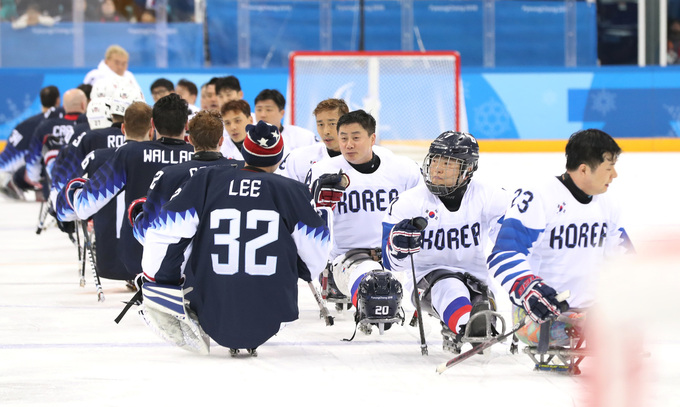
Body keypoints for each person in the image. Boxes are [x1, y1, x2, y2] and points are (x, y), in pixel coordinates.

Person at [138, 120, 331, 354]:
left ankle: (171, 301)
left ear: (245, 151)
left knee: (187, 237)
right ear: (279, 157)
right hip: (275, 307)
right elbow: (317, 254)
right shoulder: (292, 190)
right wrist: (301, 270)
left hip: (210, 303)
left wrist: (158, 280)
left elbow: (164, 233)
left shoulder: (206, 180)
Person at [487, 129, 632, 348]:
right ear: (584, 169)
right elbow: (505, 252)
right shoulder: (539, 196)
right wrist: (529, 289)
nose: (615, 176)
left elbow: (624, 258)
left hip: (588, 316)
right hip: (539, 317)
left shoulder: (607, 204)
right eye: (609, 168)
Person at [381, 131, 512, 352]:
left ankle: (476, 319)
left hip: (475, 278)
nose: (438, 168)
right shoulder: (408, 202)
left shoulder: (490, 195)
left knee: (482, 304)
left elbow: (509, 245)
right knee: (450, 287)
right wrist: (397, 247)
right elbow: (391, 264)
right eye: (435, 160)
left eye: (449, 162)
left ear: (468, 169)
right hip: (426, 280)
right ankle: (465, 325)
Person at [57, 93, 195, 281]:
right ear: (186, 126)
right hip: (193, 261)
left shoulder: (130, 153)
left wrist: (73, 189)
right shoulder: (198, 157)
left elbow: (84, 206)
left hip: (139, 259)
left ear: (152, 125)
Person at [307, 109, 422, 332]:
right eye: (343, 138)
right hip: (346, 258)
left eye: (356, 137)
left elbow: (426, 208)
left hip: (396, 253)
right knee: (378, 289)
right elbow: (306, 223)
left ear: (372, 138)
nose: (348, 144)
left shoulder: (403, 169)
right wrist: (317, 204)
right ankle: (360, 295)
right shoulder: (323, 171)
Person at [130, 109, 244, 244]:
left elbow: (146, 233)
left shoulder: (169, 175)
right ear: (221, 140)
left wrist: (137, 216)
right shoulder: (242, 170)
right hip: (230, 257)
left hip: (186, 261)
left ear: (190, 140)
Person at [78, 101, 154, 282]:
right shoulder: (161, 156)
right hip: (153, 251)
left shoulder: (101, 155)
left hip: (114, 254)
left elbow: (83, 204)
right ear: (152, 130)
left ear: (122, 128)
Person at [50, 82, 142, 219]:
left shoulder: (86, 138)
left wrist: (62, 212)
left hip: (95, 215)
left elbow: (62, 182)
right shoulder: (150, 144)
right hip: (138, 221)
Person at [0, 85, 62, 200]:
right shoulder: (56, 122)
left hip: (8, 166)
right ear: (58, 100)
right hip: (24, 171)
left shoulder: (26, 123)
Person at [24, 88, 88, 195]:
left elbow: (33, 159)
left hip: (52, 190)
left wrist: (35, 178)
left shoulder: (45, 126)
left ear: (64, 106)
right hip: (86, 191)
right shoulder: (90, 127)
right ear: (83, 105)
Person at [278, 98, 348, 182]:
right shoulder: (298, 158)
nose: (326, 132)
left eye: (332, 124)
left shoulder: (364, 158)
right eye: (320, 124)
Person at [254, 89, 317, 154]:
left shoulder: (304, 137)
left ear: (282, 113)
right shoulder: (247, 138)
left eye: (269, 110)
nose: (263, 115)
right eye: (259, 110)